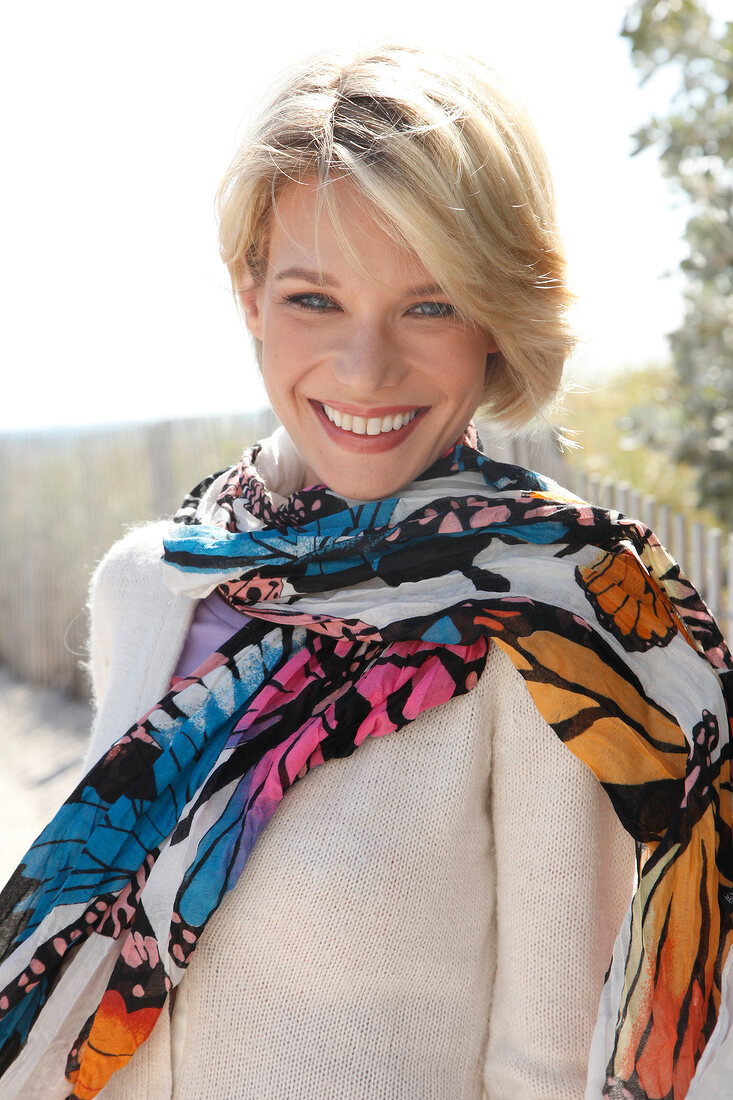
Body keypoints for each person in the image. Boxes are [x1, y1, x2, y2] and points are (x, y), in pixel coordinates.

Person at [0, 42, 731, 1100]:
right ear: (250, 293)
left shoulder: (543, 618)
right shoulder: (152, 585)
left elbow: (547, 1058)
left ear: (492, 318)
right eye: (313, 298)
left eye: (429, 303)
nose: (365, 367)